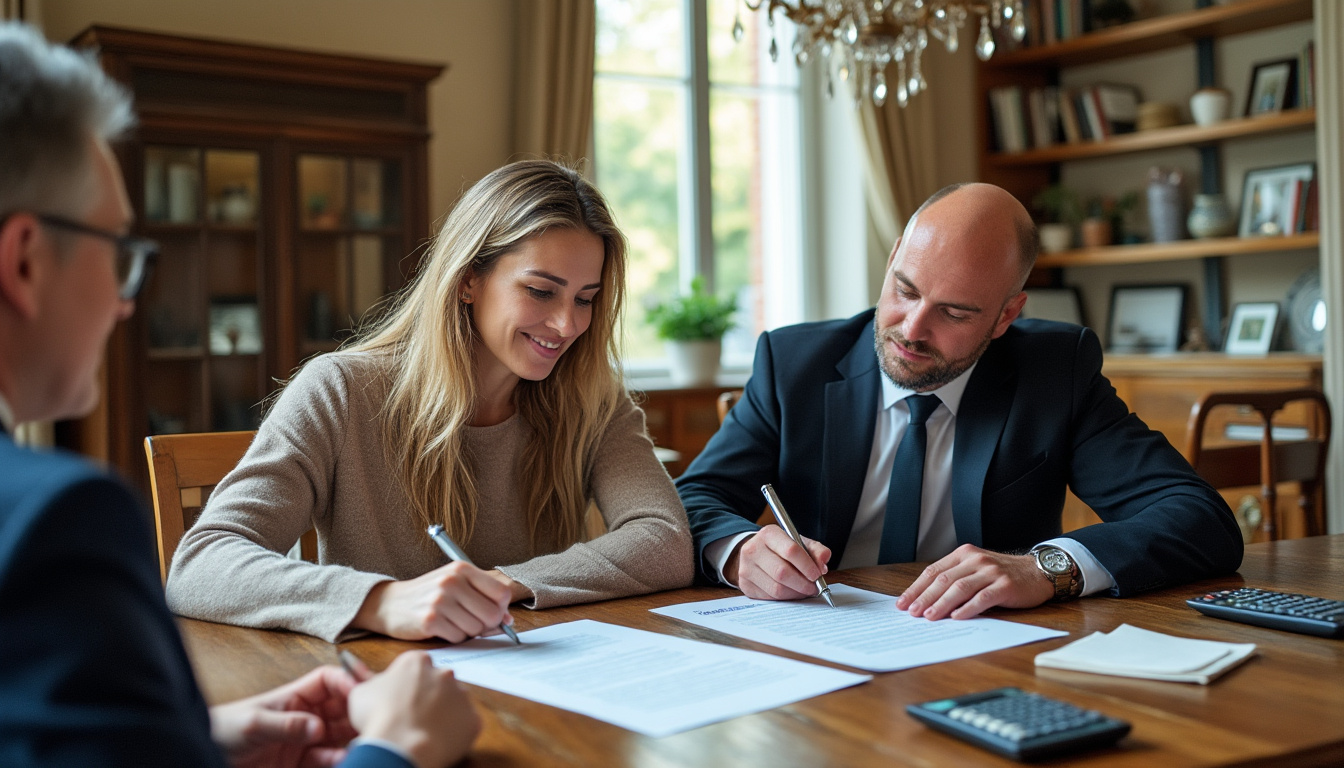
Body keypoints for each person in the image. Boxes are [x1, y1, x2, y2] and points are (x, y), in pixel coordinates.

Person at [0, 23, 478, 768]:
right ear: (24, 261)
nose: (128, 302)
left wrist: (193, 742)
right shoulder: (53, 522)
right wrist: (396, 750)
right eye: (118, 251)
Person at [166, 159, 694, 644]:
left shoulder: (594, 400)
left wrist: (504, 584)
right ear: (468, 279)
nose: (567, 324)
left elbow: (665, 539)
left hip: (544, 686)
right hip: (389, 693)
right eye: (540, 291)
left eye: (586, 299)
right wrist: (381, 601)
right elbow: (201, 564)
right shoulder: (340, 391)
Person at [678, 182, 1243, 620]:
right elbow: (695, 498)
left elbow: (1199, 519)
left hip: (979, 649)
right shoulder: (792, 364)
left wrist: (1047, 567)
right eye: (905, 290)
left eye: (955, 312)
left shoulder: (1053, 371)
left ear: (1006, 315)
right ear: (895, 254)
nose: (913, 329)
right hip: (819, 640)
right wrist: (740, 550)